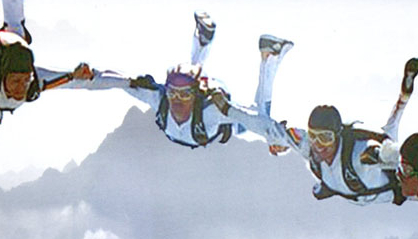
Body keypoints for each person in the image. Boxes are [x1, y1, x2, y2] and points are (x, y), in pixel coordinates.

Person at [91, 12, 295, 149]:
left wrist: (276, 138)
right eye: (173, 93)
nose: (177, 100)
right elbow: (119, 82)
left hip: (217, 99)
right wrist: (88, 75)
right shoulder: (160, 99)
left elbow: (255, 121)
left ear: (195, 95)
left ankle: (270, 57)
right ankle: (203, 39)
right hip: (200, 94)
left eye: (184, 95)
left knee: (259, 112)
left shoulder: (212, 113)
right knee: (185, 80)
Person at [255, 57, 418, 203]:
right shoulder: (310, 147)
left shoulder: (360, 154)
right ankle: (404, 97)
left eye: (325, 138)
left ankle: (404, 97)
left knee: (391, 137)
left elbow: (388, 154)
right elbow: (290, 136)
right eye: (314, 136)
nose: (319, 144)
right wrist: (281, 144)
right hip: (351, 182)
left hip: (380, 178)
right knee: (391, 126)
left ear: (337, 136)